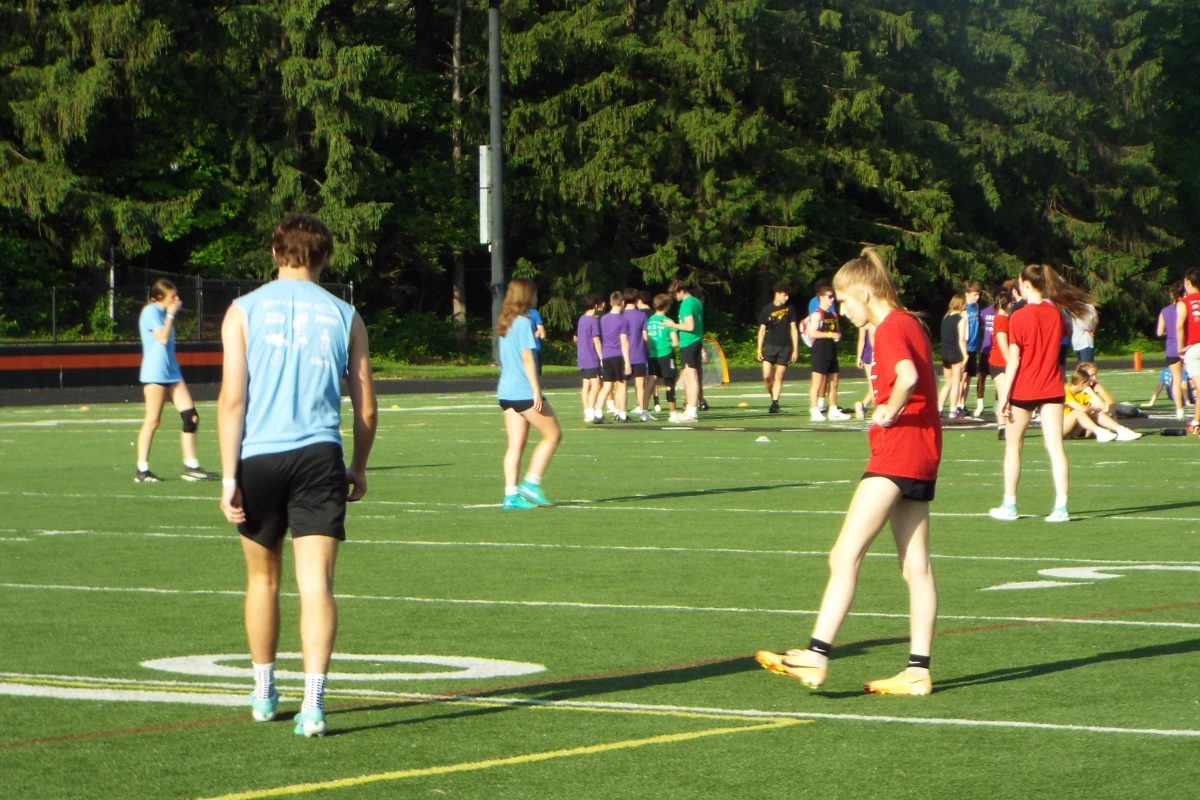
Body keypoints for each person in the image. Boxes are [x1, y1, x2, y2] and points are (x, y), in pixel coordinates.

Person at [217, 214, 377, 738]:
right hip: (318, 456)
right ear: (326, 257)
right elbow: (367, 408)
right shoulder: (345, 314)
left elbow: (232, 399)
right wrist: (359, 465)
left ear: (273, 251)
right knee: (317, 586)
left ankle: (264, 691)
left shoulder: (242, 311)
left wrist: (227, 476)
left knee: (262, 578)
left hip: (258, 456)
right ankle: (314, 704)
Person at [755, 247, 941, 696]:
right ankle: (918, 670)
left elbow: (909, 378)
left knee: (844, 554)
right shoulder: (909, 323)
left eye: (844, 301)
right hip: (922, 452)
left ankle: (817, 655)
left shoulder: (892, 325)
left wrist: (888, 413)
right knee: (915, 565)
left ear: (864, 291)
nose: (841, 310)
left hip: (896, 453)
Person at [988, 264, 1092, 524]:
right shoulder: (1056, 314)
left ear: (1025, 284)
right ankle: (1061, 507)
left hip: (1025, 388)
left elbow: (1014, 360)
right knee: (1056, 448)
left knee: (1014, 447)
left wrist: (1005, 396)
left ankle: (1009, 504)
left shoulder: (1019, 317)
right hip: (1051, 387)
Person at [135, 278, 215, 483]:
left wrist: (169, 314)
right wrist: (170, 315)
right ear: (160, 297)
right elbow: (161, 338)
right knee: (152, 420)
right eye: (173, 296)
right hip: (155, 373)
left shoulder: (163, 313)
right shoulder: (151, 312)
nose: (177, 299)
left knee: (191, 417)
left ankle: (191, 466)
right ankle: (142, 470)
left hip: (172, 372)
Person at [495, 278, 562, 508]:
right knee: (553, 435)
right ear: (526, 295)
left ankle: (510, 495)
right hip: (523, 391)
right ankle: (531, 484)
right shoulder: (524, 322)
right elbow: (527, 359)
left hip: (506, 391)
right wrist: (536, 391)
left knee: (516, 445)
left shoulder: (505, 322)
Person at [1063, 368, 1140, 442]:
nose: (1090, 384)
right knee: (1077, 413)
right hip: (1058, 430)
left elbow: (1101, 406)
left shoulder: (1083, 392)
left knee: (1095, 413)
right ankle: (1100, 432)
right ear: (1082, 383)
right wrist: (1092, 408)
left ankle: (1121, 430)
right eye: (1088, 383)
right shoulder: (1065, 390)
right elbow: (1080, 408)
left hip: (1072, 430)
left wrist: (1091, 392)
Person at [807, 286, 849, 420]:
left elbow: (837, 331)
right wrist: (830, 334)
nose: (832, 299)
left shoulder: (833, 315)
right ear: (822, 297)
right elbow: (812, 332)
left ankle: (833, 409)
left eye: (832, 296)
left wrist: (837, 336)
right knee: (817, 382)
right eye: (829, 297)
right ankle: (814, 410)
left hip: (831, 350)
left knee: (834, 381)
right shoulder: (817, 314)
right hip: (820, 350)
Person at [664, 280, 703, 423]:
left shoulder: (687, 303)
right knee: (688, 376)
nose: (675, 298)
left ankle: (692, 411)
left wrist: (672, 325)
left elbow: (690, 326)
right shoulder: (695, 301)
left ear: (680, 291)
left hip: (690, 341)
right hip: (693, 341)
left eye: (675, 295)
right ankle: (689, 409)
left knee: (691, 376)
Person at [756, 283, 799, 413]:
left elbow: (794, 329)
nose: (787, 298)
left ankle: (775, 403)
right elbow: (762, 330)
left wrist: (795, 349)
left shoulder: (790, 309)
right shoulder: (767, 309)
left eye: (788, 295)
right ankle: (772, 394)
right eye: (785, 295)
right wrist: (759, 349)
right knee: (767, 376)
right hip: (770, 346)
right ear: (778, 293)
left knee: (779, 376)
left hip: (785, 347)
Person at [596, 291, 631, 422]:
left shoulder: (603, 319)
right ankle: (622, 414)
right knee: (621, 385)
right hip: (618, 355)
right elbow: (624, 342)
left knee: (607, 386)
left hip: (606, 355)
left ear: (611, 303)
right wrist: (627, 362)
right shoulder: (623, 320)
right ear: (622, 303)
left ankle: (598, 412)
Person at [646, 293, 679, 419]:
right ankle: (672, 413)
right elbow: (675, 342)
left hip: (653, 355)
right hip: (666, 354)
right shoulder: (668, 321)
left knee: (650, 383)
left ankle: (644, 410)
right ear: (666, 306)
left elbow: (647, 339)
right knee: (669, 383)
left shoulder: (649, 321)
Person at [1155, 282, 1186, 420]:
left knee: (1177, 379)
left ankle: (1179, 409)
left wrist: (1170, 330)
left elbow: (1159, 332)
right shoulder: (1187, 308)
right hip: (1186, 347)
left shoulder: (1165, 311)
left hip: (1172, 348)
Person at [986, 292, 1014, 439]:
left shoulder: (1003, 318)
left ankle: (1005, 426)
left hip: (1001, 360)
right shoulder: (1001, 319)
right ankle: (1003, 428)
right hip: (999, 361)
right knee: (1005, 394)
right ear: (1007, 303)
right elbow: (1003, 344)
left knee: (1005, 394)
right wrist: (1011, 363)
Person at [1176, 269, 1200, 435]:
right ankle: (1196, 421)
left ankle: (1196, 423)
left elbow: (1179, 326)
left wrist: (1180, 348)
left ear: (1188, 283)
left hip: (1194, 348)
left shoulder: (1184, 302)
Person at [575, 293, 605, 423]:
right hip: (591, 356)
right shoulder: (593, 320)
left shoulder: (582, 319)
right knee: (596, 385)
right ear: (595, 305)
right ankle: (591, 411)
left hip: (582, 355)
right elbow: (596, 340)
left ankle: (587, 411)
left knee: (586, 385)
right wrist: (602, 357)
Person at [937, 294, 967, 418]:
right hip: (956, 352)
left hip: (944, 352)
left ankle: (939, 408)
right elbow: (961, 339)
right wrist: (965, 355)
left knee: (947, 382)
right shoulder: (961, 319)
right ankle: (953, 409)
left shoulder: (945, 317)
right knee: (956, 382)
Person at [622, 288, 650, 421]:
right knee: (640, 385)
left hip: (622, 354)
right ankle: (643, 411)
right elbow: (645, 336)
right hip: (639, 353)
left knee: (622, 385)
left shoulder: (620, 315)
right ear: (637, 300)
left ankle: (621, 412)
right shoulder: (642, 315)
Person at [961, 281, 983, 416]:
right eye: (975, 294)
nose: (977, 297)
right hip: (964, 346)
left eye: (979, 294)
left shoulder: (976, 306)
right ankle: (957, 404)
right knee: (962, 378)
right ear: (967, 293)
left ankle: (963, 403)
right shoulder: (963, 307)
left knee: (969, 377)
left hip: (974, 346)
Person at [854, 322, 875, 418]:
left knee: (873, 384)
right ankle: (875, 407)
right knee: (875, 384)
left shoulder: (863, 321)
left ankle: (863, 404)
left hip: (867, 353)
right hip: (874, 353)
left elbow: (861, 340)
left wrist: (859, 357)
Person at [526, 305, 546, 375]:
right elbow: (542, 334)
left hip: (522, 349)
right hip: (534, 348)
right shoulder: (533, 313)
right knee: (536, 378)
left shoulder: (514, 313)